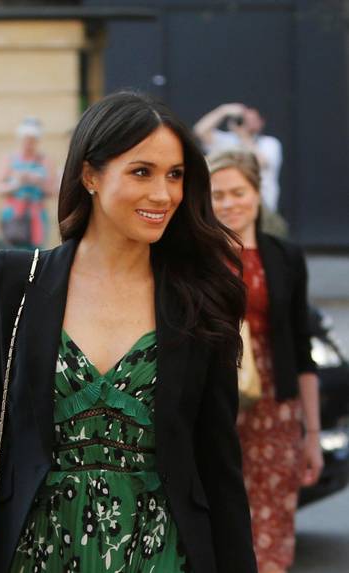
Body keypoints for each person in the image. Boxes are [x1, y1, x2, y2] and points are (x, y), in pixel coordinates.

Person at [0, 91, 257, 573]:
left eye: (175, 175)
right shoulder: (15, 284)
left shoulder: (202, 298)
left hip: (160, 553)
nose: (162, 195)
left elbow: (219, 464)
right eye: (141, 172)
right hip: (37, 553)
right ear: (90, 176)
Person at [208, 150, 322, 573]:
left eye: (239, 191)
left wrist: (311, 435)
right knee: (220, 524)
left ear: (257, 193)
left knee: (272, 532)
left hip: (276, 405)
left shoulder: (285, 256)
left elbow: (302, 347)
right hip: (213, 403)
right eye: (218, 194)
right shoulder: (196, 258)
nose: (229, 203)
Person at [194, 103, 283, 213]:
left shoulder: (269, 143)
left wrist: (243, 136)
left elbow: (261, 163)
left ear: (261, 122)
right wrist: (224, 110)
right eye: (244, 119)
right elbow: (200, 131)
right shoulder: (227, 141)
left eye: (252, 119)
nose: (247, 123)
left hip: (262, 207)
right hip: (228, 206)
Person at [0, 117, 58, 248]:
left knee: (35, 253)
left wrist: (38, 181)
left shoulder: (45, 160)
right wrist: (17, 183)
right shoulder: (8, 159)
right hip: (13, 214)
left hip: (36, 214)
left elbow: (53, 190)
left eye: (32, 140)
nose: (29, 143)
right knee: (12, 249)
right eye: (26, 139)